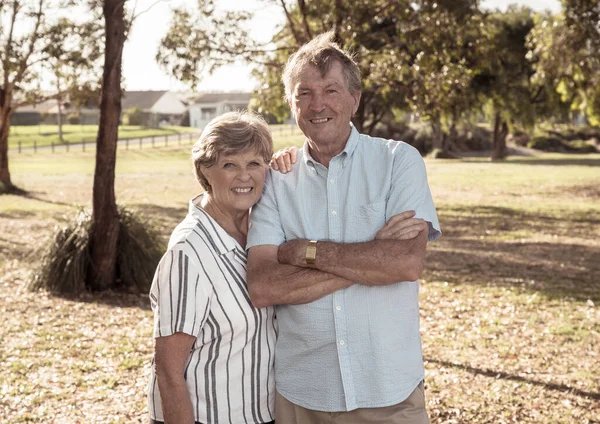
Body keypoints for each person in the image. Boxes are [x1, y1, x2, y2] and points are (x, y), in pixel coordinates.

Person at [246, 31, 442, 424]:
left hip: (389, 391)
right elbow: (263, 286)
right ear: (291, 104)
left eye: (331, 90)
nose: (318, 104)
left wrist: (305, 253)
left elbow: (404, 264)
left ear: (354, 99)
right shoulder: (275, 181)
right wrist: (370, 258)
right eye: (304, 94)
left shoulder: (398, 162)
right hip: (303, 394)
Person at [147, 111, 277, 424]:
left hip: (260, 414)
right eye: (229, 164)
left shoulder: (262, 231)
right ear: (205, 171)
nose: (244, 176)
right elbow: (168, 370)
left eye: (254, 164)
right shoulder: (188, 254)